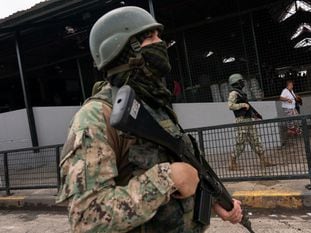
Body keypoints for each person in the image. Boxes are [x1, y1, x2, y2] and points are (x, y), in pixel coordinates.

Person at [56, 7, 243, 233]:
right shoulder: (96, 116)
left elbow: (187, 167)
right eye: (149, 37)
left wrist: (213, 200)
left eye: (159, 35)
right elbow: (86, 218)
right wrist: (166, 179)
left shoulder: (154, 103)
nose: (160, 43)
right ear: (123, 50)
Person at [227, 73, 274, 171]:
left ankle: (263, 160)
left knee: (255, 139)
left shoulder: (241, 93)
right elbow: (230, 106)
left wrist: (254, 114)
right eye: (241, 81)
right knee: (241, 142)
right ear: (237, 82)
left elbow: (248, 106)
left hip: (248, 119)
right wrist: (242, 105)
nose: (243, 82)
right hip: (241, 120)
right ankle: (232, 162)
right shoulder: (233, 93)